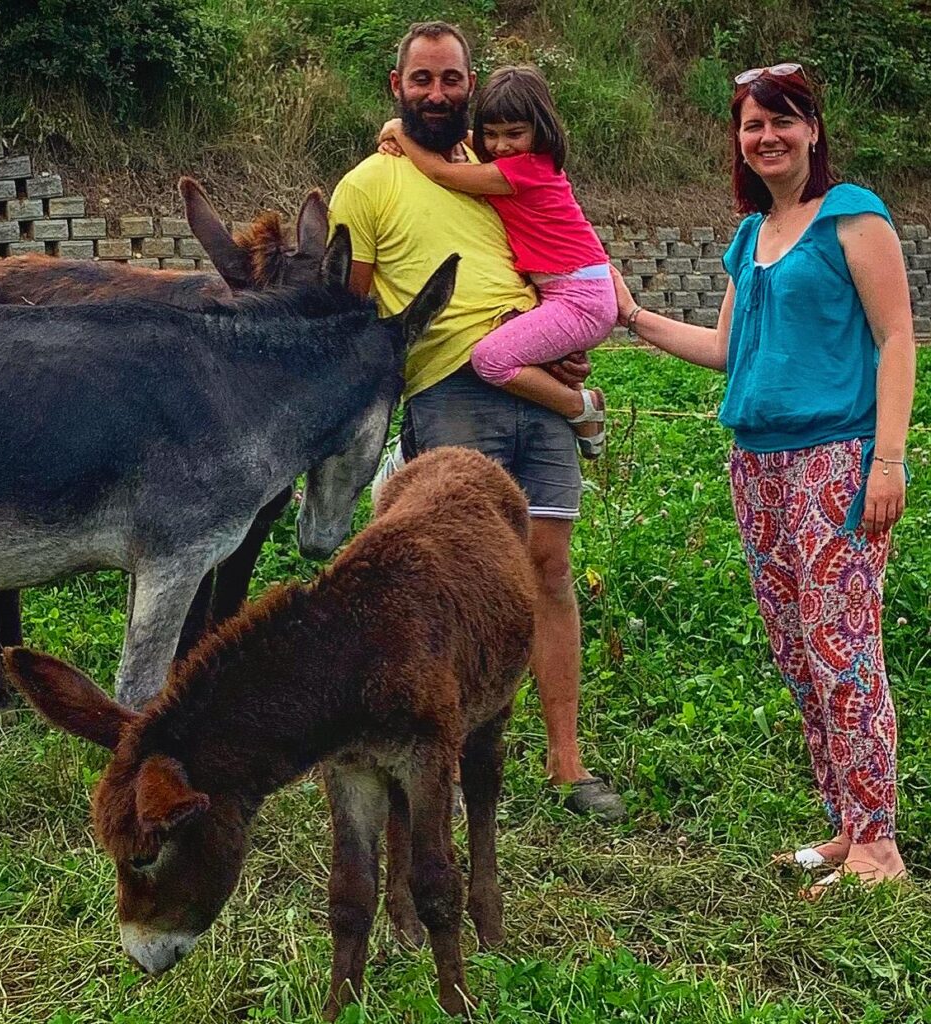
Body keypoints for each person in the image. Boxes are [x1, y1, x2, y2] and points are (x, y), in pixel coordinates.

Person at [609, 63, 914, 891]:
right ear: (739, 142)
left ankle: (880, 843)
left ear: (812, 129)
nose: (767, 136)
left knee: (842, 644)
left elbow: (897, 340)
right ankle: (847, 829)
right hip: (757, 463)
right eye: (752, 125)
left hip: (835, 460)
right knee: (795, 649)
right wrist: (630, 316)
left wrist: (888, 461)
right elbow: (723, 352)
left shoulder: (852, 216)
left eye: (782, 120)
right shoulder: (750, 239)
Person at [329, 20, 626, 820]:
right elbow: (349, 316)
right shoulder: (368, 185)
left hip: (534, 384)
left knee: (549, 569)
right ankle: (443, 770)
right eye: (421, 80)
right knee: (451, 587)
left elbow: (556, 262)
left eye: (451, 79)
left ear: (471, 85)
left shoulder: (499, 170)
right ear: (397, 87)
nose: (437, 93)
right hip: (452, 390)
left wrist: (567, 348)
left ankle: (568, 767)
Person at [378, 65, 615, 459]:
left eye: (514, 134)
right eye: (492, 134)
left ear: (540, 130)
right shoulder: (524, 163)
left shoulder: (522, 171)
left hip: (579, 298)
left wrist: (401, 131)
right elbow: (467, 145)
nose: (501, 146)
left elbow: (441, 171)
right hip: (573, 290)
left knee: (491, 359)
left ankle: (580, 407)